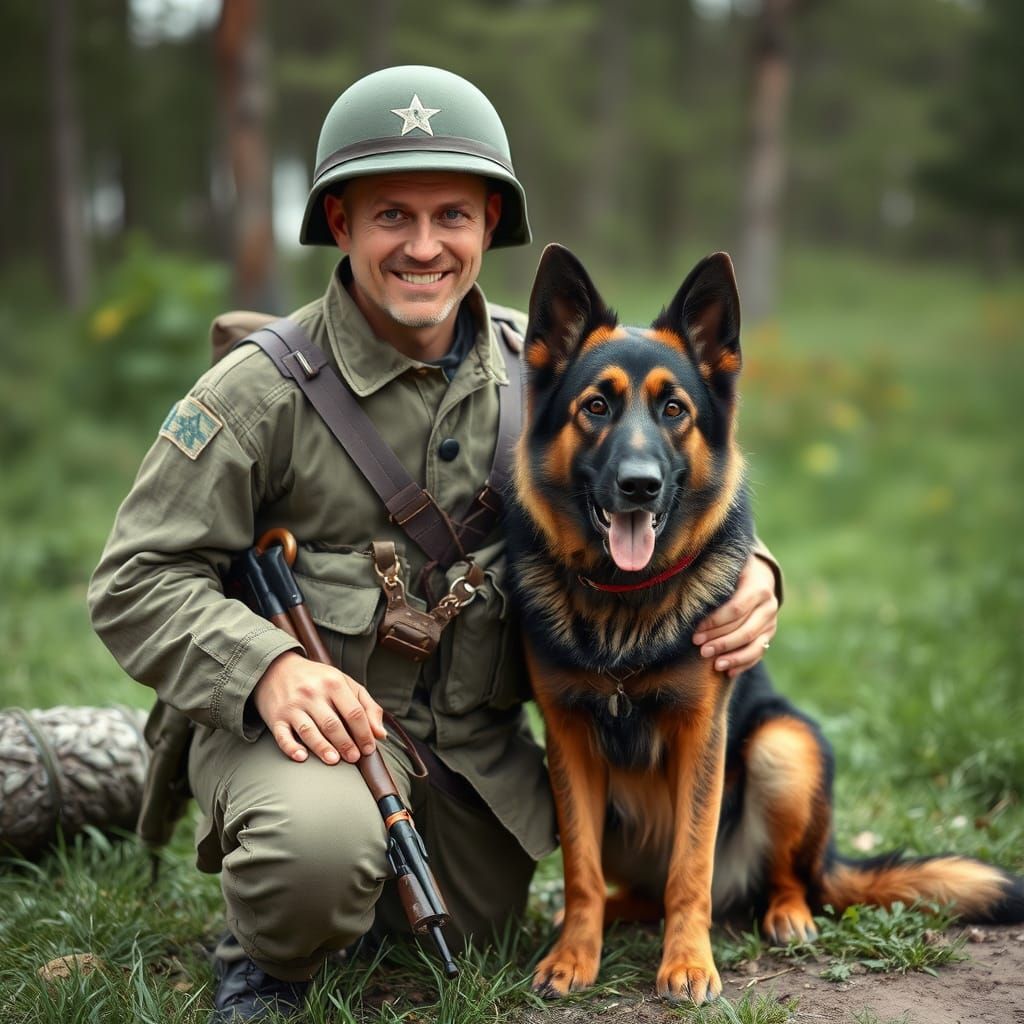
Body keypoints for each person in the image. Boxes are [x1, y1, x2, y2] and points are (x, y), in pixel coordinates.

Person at [88, 65, 782, 1022]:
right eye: (390, 216)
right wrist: (265, 670)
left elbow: (658, 477)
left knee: (479, 924)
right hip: (302, 741)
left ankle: (341, 899)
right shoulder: (260, 392)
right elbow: (132, 579)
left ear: (490, 224)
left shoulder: (540, 373)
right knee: (315, 861)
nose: (424, 246)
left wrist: (756, 574)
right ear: (340, 223)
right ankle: (266, 950)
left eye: (452, 214)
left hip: (463, 772)